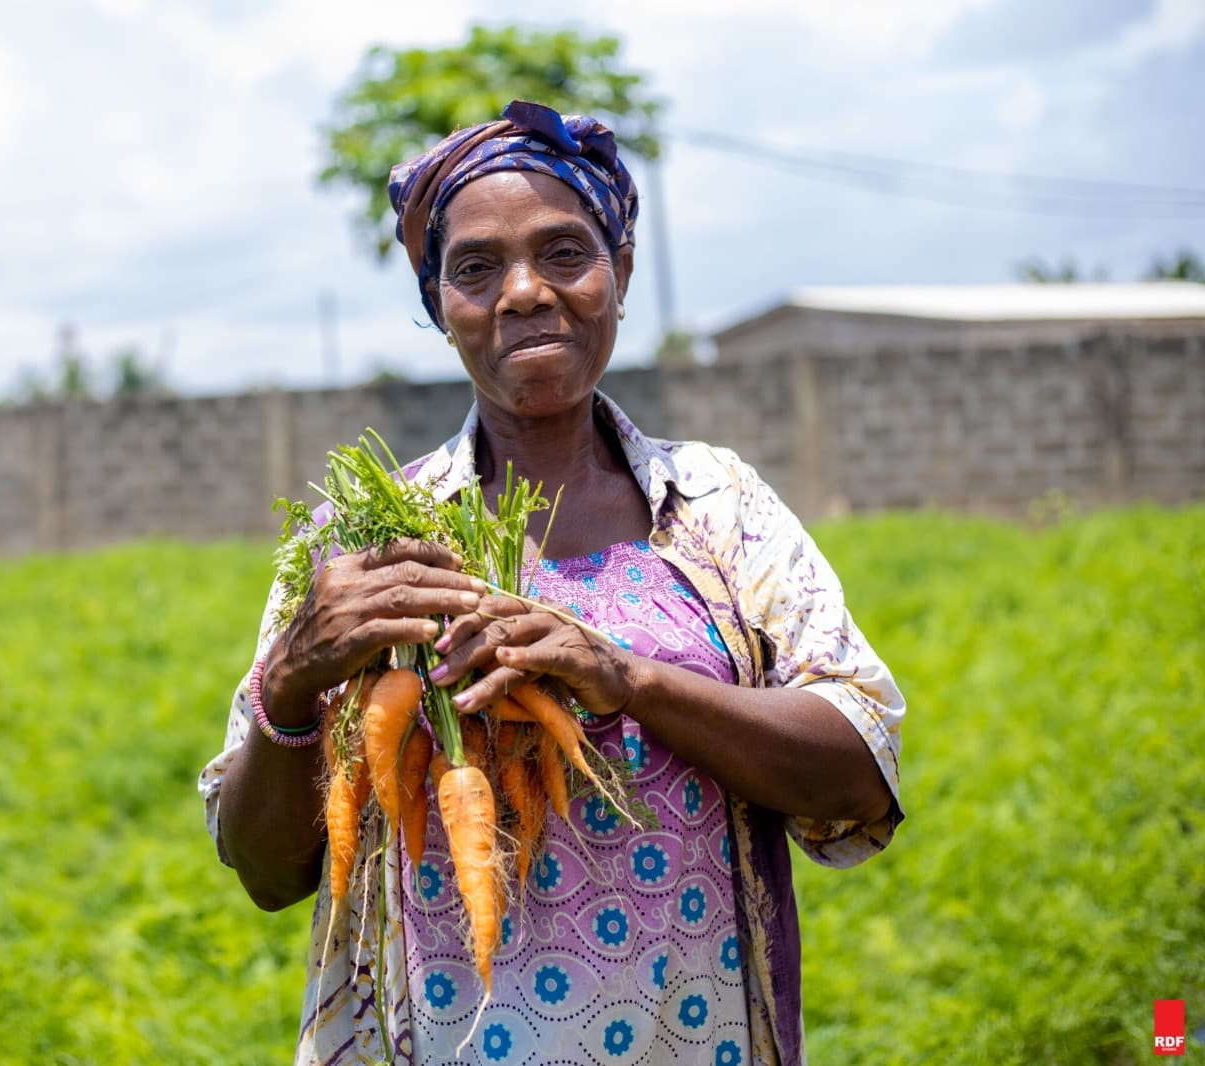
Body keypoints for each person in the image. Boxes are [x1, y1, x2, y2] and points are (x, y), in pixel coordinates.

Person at [200, 100, 904, 1066]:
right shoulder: (362, 548)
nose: (526, 292)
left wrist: (629, 680)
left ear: (617, 275)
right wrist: (291, 683)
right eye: (476, 269)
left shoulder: (718, 507)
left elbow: (861, 770)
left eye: (565, 253)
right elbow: (268, 870)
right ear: (437, 308)